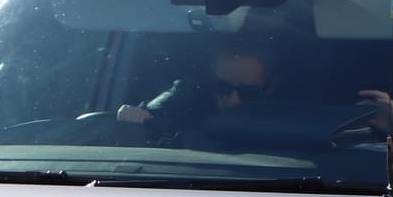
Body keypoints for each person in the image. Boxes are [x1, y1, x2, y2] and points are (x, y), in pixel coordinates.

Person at [118, 43, 276, 128]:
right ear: (212, 81)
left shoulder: (295, 117)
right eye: (224, 88)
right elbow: (153, 111)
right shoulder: (189, 96)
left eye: (247, 91)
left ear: (270, 88)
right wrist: (137, 114)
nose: (234, 100)